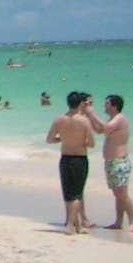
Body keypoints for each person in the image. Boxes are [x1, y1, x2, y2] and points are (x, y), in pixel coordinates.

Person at [83, 93, 133, 232]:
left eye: (107, 103)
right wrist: (89, 115)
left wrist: (92, 112)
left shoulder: (120, 118)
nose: (104, 106)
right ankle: (118, 222)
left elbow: (105, 127)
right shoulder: (112, 120)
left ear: (114, 106)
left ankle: (132, 222)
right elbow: (99, 130)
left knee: (122, 194)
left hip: (119, 162)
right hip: (111, 162)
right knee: (117, 194)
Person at [46, 91, 95, 234]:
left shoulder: (59, 119)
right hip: (79, 158)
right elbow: (92, 143)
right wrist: (81, 142)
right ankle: (70, 225)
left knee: (68, 193)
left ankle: (75, 224)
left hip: (65, 158)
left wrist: (63, 139)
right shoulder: (84, 121)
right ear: (80, 104)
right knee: (77, 193)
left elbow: (49, 139)